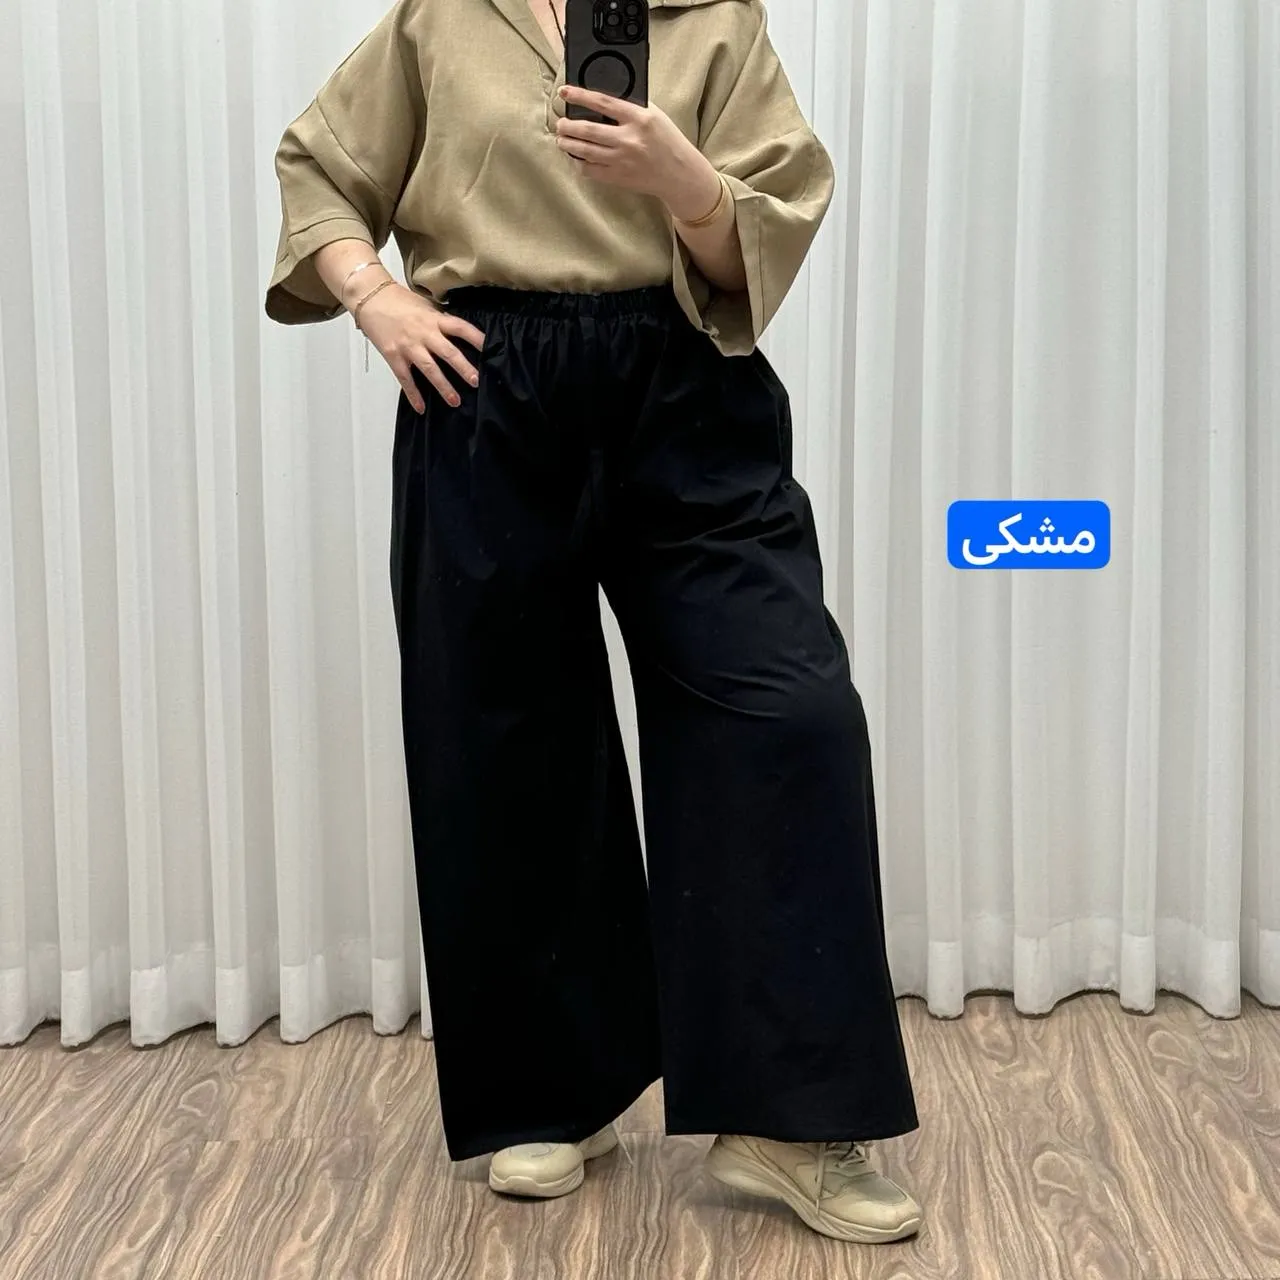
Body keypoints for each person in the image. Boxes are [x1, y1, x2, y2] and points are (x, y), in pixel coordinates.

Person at [264, 0, 922, 1246]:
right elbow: (322, 166)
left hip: (683, 384)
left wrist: (685, 182)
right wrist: (374, 296)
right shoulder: (441, 15)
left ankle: (785, 1120)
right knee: (504, 738)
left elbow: (762, 232)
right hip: (486, 382)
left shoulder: (713, 19)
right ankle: (549, 1090)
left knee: (787, 715)